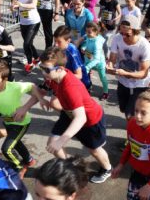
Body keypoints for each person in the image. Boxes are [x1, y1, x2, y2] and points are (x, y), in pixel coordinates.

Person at [17, 48, 112, 183]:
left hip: (90, 120)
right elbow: (40, 91)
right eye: (41, 68)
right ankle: (69, 166)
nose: (43, 72)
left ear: (60, 69)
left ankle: (107, 169)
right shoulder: (52, 77)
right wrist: (25, 107)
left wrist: (62, 140)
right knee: (52, 144)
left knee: (93, 150)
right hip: (69, 114)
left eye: (47, 69)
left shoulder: (70, 87)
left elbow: (81, 118)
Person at [107, 14, 150, 118]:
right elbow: (112, 59)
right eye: (121, 32)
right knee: (123, 108)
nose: (123, 36)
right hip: (122, 80)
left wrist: (126, 73)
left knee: (130, 114)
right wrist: (110, 66)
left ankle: (133, 131)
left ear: (135, 31)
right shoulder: (117, 38)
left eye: (126, 34)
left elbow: (144, 73)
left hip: (139, 84)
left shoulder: (144, 46)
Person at [13, 0, 42, 69]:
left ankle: (30, 63)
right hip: (23, 21)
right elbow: (13, 4)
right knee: (29, 42)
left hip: (34, 21)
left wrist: (21, 5)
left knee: (26, 43)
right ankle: (37, 58)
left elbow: (33, 5)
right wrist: (12, 7)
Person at [53, 25, 91, 90]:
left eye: (59, 42)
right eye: (55, 41)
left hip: (80, 84)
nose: (56, 44)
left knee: (54, 100)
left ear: (68, 41)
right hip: (66, 78)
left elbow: (79, 75)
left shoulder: (72, 52)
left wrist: (60, 75)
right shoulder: (59, 47)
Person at [80, 22, 108, 100]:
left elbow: (96, 59)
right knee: (86, 77)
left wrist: (87, 67)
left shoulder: (97, 43)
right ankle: (87, 88)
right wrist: (84, 47)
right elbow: (87, 42)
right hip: (88, 60)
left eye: (89, 32)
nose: (87, 34)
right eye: (86, 31)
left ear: (96, 32)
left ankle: (106, 92)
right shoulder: (89, 36)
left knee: (103, 78)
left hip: (99, 64)